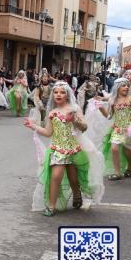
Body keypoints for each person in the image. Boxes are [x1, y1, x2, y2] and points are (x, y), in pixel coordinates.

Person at [24, 81, 104, 216]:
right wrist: (34, 126)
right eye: (56, 92)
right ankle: (51, 205)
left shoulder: (75, 109)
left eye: (62, 92)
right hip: (58, 150)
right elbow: (48, 133)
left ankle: (77, 195)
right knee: (56, 176)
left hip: (73, 149)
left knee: (74, 178)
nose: (58, 95)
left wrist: (73, 120)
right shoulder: (52, 113)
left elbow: (84, 127)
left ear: (67, 95)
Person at [98, 78, 131, 180]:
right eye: (123, 85)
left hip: (129, 129)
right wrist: (101, 109)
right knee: (114, 148)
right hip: (117, 129)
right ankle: (117, 173)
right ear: (117, 88)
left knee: (128, 151)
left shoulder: (130, 99)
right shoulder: (113, 101)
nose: (126, 87)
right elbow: (109, 116)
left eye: (127, 85)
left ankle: (129, 168)